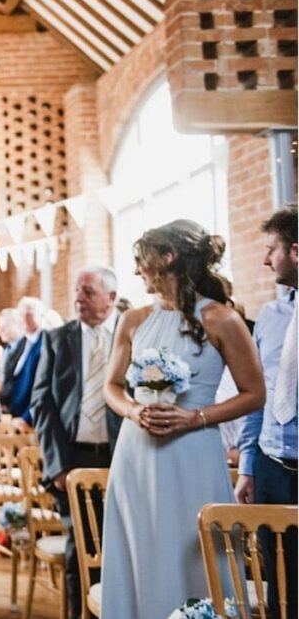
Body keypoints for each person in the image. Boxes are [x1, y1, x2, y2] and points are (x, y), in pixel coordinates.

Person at [101, 219, 264, 618]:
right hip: (135, 454)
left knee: (191, 549)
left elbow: (255, 393)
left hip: (192, 452)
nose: (138, 269)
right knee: (140, 551)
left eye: (142, 259)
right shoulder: (133, 320)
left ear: (168, 258)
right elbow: (111, 388)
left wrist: (196, 417)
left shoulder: (222, 320)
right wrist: (134, 410)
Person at [29, 265, 122, 619]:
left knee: (119, 548)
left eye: (87, 292)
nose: (78, 299)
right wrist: (57, 466)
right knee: (79, 548)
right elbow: (42, 402)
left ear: (111, 298)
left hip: (120, 458)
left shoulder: (130, 335)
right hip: (73, 461)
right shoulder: (58, 339)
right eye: (77, 291)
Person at [236, 203, 298, 619]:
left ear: (295, 250)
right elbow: (257, 397)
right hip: (273, 468)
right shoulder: (270, 318)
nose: (264, 258)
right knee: (280, 587)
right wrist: (247, 465)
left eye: (271, 248)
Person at [0, 296, 46, 424]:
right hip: (15, 414)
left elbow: (44, 387)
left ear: (40, 316)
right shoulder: (20, 343)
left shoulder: (48, 342)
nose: (25, 318)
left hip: (35, 416)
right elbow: (10, 376)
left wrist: (27, 417)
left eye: (30, 314)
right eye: (21, 314)